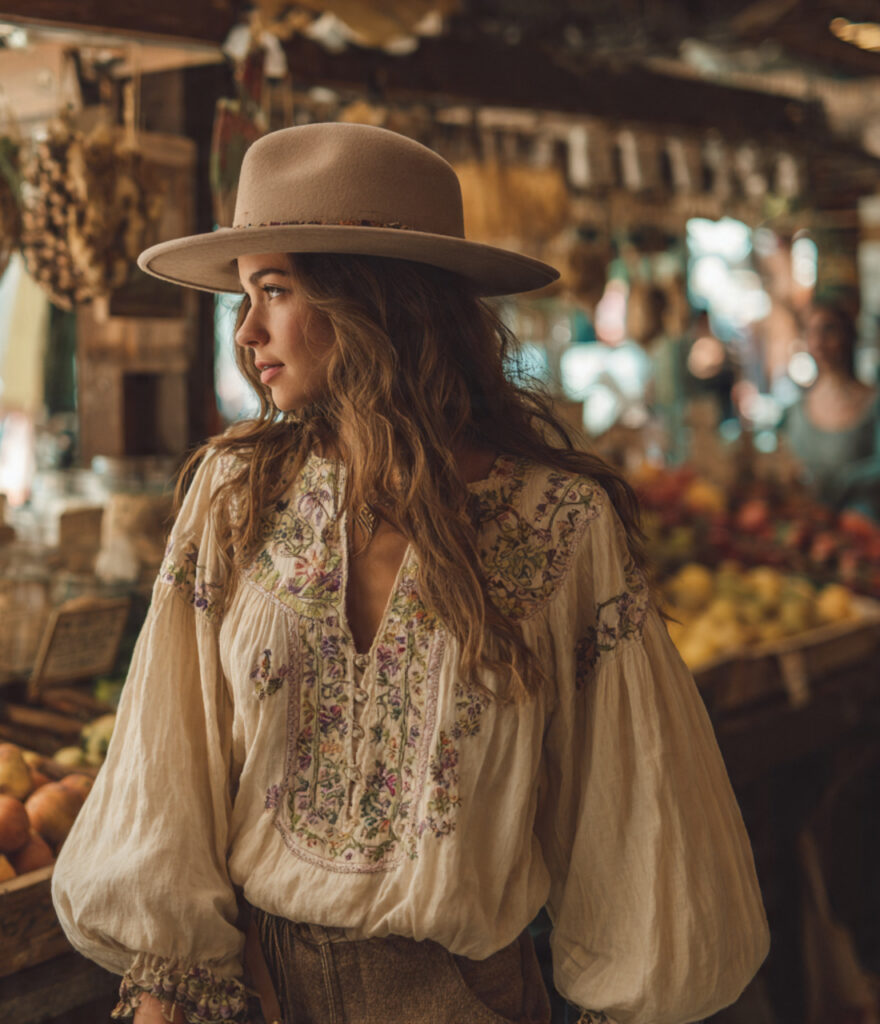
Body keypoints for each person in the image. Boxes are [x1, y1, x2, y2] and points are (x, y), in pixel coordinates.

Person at [52, 123, 769, 1024]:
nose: (247, 332)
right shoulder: (236, 497)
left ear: (373, 302)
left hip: (462, 999)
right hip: (257, 994)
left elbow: (636, 818)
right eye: (245, 296)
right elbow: (169, 762)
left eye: (275, 290)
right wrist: (162, 990)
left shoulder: (560, 524)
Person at [783, 300, 880, 518]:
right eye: (811, 332)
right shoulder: (797, 409)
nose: (819, 342)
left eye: (829, 330)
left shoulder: (873, 402)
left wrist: (842, 484)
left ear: (848, 336)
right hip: (811, 525)